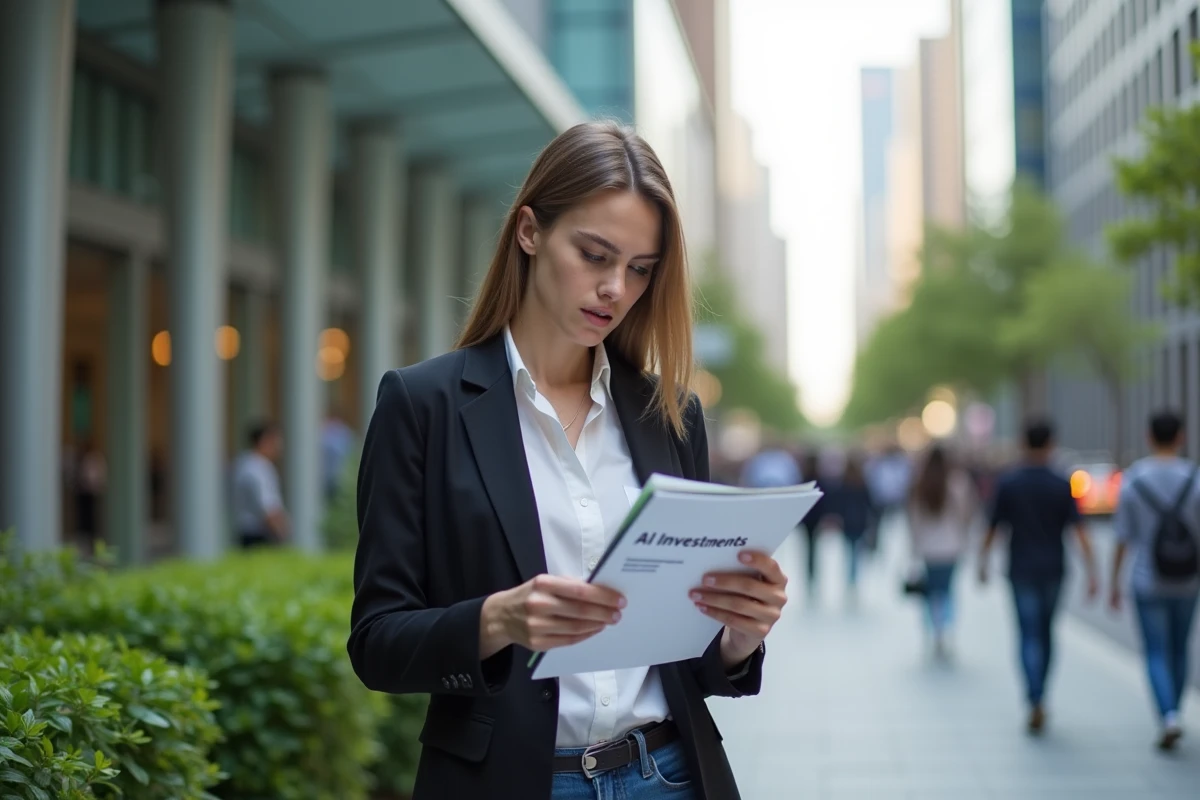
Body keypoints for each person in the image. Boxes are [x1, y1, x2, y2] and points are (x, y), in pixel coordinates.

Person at [347, 120, 788, 800]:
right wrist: (496, 621)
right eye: (594, 255)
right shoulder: (423, 405)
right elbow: (377, 642)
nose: (615, 288)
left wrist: (738, 635)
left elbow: (690, 659)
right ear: (529, 232)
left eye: (639, 269)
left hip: (667, 774)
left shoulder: (671, 415)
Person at [979, 419, 1099, 734]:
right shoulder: (1061, 483)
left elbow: (993, 526)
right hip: (1053, 568)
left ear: (1023, 442)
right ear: (1050, 444)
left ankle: (1033, 696)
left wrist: (982, 561)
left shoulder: (1009, 482)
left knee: (1027, 633)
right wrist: (1092, 571)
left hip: (1020, 568)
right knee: (1046, 633)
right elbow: (1079, 530)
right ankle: (1041, 693)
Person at [1110, 410, 1200, 750]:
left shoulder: (1134, 480)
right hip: (1188, 580)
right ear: (1181, 437)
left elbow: (1122, 536)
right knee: (1180, 648)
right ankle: (1175, 709)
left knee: (1156, 651)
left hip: (1147, 579)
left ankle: (1168, 715)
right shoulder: (1195, 478)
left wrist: (1114, 581)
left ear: (1149, 437)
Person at [906, 445, 977, 659]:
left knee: (931, 591)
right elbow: (967, 514)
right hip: (951, 546)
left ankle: (934, 628)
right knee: (947, 590)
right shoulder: (958, 483)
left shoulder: (920, 483)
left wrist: (914, 544)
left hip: (928, 547)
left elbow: (914, 518)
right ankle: (945, 628)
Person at [230, 420, 289, 548]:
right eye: (275, 441)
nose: (279, 447)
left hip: (248, 533)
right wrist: (281, 532)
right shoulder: (257, 469)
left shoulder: (244, 464)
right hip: (259, 536)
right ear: (264, 441)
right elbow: (268, 508)